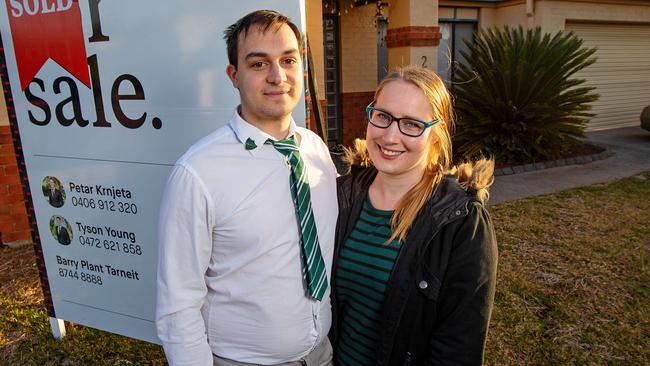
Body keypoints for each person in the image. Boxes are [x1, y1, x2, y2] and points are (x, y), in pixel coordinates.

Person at [156, 10, 337, 366]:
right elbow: (178, 306)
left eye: (288, 60)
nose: (277, 76)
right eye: (258, 64)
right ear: (233, 76)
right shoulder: (197, 173)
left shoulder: (316, 149)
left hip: (322, 355)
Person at [332, 66, 498, 365]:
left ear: (436, 134)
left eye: (411, 124)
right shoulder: (343, 195)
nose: (391, 136)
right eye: (382, 116)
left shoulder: (460, 222)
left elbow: (458, 350)